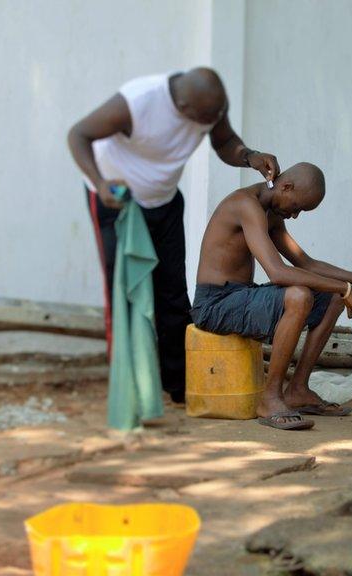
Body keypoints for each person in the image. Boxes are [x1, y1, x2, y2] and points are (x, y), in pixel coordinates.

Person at [67, 68, 280, 403]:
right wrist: (100, 183)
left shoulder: (211, 107)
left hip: (164, 202)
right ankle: (130, 392)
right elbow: (78, 134)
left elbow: (224, 141)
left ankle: (180, 384)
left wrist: (249, 156)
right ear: (182, 107)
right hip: (116, 203)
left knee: (173, 293)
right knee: (124, 293)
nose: (211, 122)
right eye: (205, 118)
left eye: (215, 115)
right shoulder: (138, 101)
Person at [191, 163, 352, 430]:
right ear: (286, 186)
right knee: (298, 296)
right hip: (214, 304)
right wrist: (344, 288)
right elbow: (277, 273)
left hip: (242, 295)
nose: (294, 215)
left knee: (332, 298)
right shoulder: (245, 204)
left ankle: (298, 390)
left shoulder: (270, 212)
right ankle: (270, 398)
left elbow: (306, 263)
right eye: (296, 207)